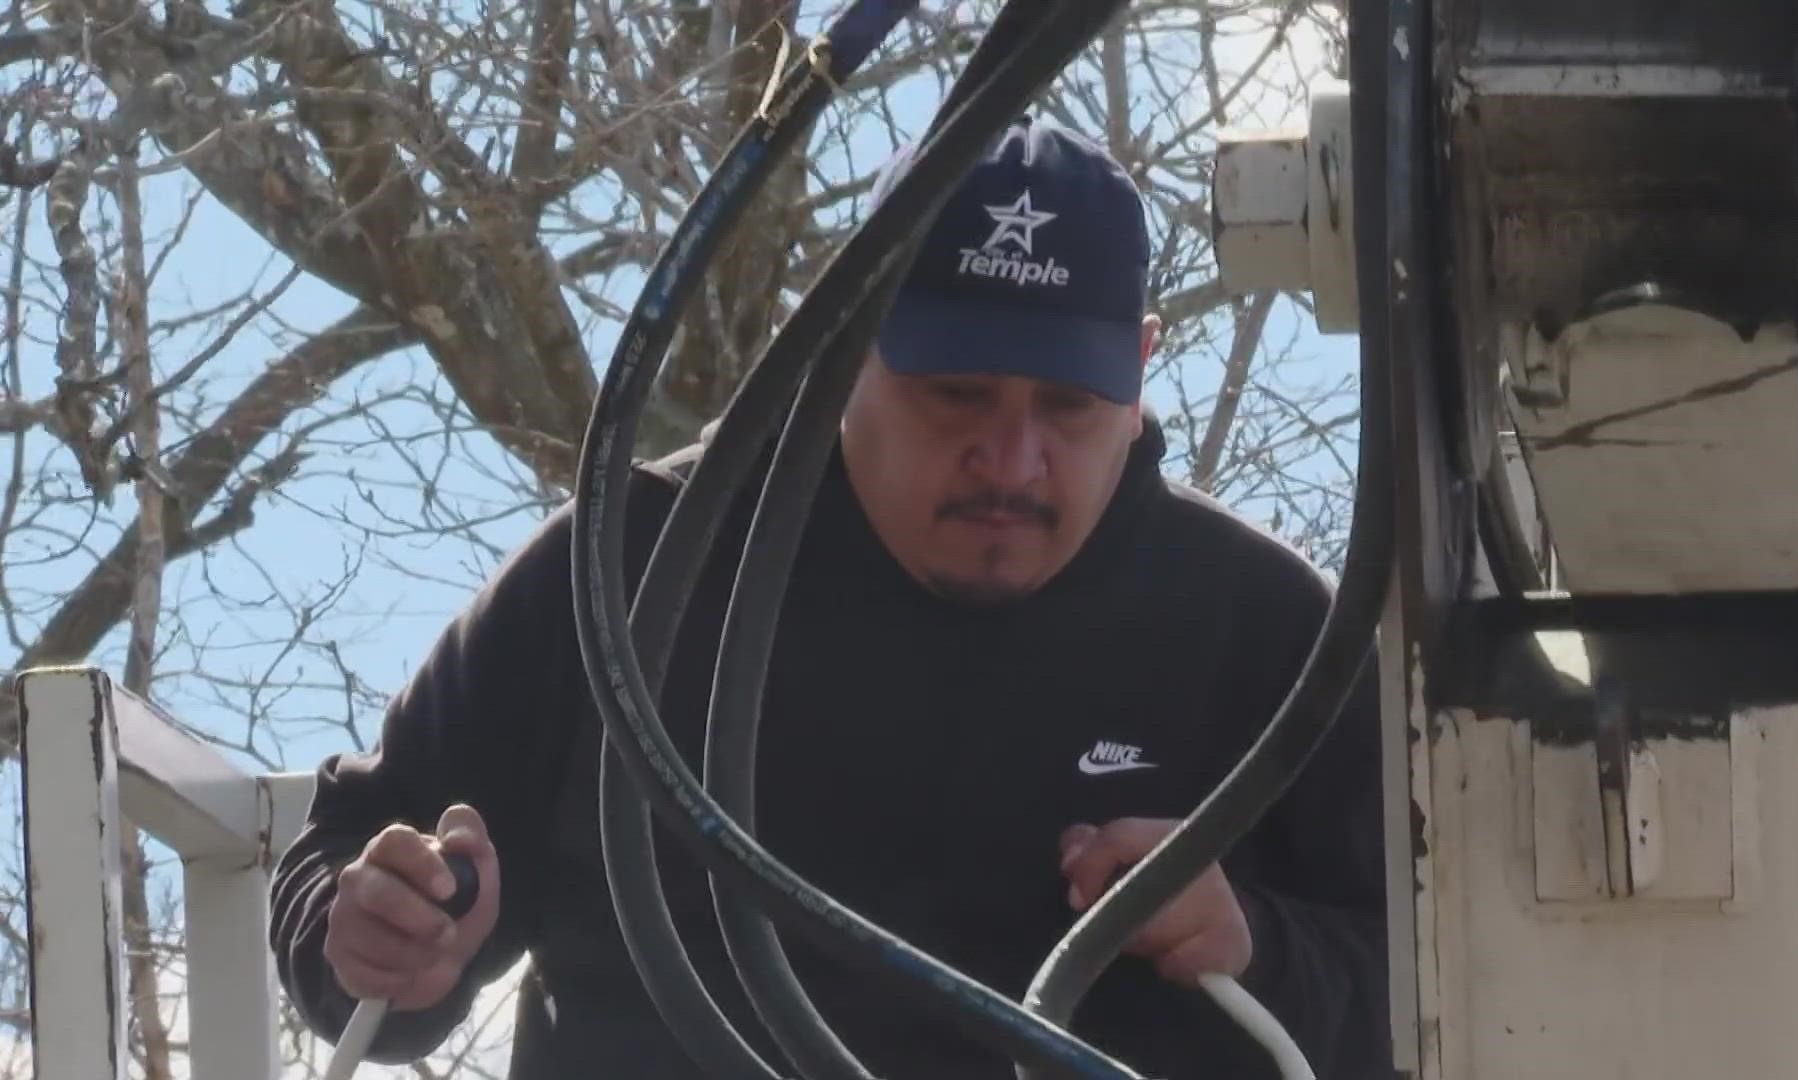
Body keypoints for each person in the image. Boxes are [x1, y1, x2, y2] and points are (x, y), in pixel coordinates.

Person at [269, 116, 1393, 1080]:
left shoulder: (1270, 631)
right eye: (957, 395)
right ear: (846, 345)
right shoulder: (630, 574)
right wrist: (374, 935)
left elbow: (1454, 977)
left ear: (1142, 372)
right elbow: (359, 858)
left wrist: (1257, 947)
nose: (1012, 460)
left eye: (1067, 405)